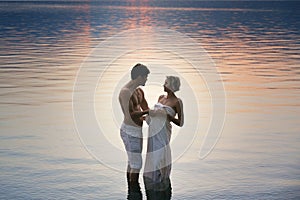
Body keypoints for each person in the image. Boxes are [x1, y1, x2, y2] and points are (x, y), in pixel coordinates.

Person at [143, 76, 184, 199]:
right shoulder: (161, 97)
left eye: (165, 83)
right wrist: (147, 117)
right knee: (152, 158)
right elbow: (155, 114)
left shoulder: (177, 102)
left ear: (171, 85)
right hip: (153, 132)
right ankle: (153, 190)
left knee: (160, 157)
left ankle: (162, 188)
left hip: (163, 133)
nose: (163, 85)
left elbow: (180, 123)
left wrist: (167, 116)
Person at [119, 63, 150, 197]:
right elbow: (130, 114)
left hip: (137, 131)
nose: (146, 79)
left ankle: (130, 190)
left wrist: (150, 117)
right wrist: (150, 112)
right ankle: (134, 192)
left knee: (132, 162)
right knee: (136, 164)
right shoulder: (125, 92)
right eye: (145, 77)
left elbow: (145, 107)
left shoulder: (139, 91)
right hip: (129, 131)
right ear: (139, 77)